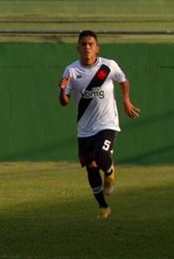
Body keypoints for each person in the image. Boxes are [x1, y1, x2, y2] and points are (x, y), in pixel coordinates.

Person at [57, 30, 140, 219]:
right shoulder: (71, 71)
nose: (87, 47)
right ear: (78, 48)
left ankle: (110, 173)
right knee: (91, 167)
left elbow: (123, 80)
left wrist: (126, 101)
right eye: (83, 44)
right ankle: (103, 207)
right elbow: (64, 102)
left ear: (97, 48)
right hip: (85, 128)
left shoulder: (108, 66)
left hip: (107, 123)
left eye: (90, 44)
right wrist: (62, 91)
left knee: (102, 157)